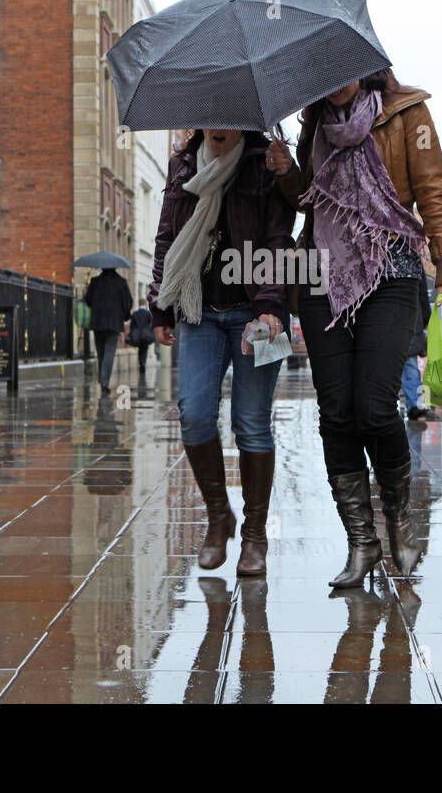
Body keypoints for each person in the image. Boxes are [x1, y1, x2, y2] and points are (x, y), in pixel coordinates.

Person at [267, 69, 442, 588]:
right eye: (324, 75)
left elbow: (433, 189)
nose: (334, 83)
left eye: (343, 72)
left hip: (392, 268)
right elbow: (306, 201)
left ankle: (398, 515)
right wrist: (287, 172)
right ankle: (361, 543)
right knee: (335, 411)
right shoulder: (314, 123)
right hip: (321, 276)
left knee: (375, 408)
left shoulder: (406, 112)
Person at [150, 128, 295, 576]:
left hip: (256, 312)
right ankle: (219, 517)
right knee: (194, 414)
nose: (218, 126)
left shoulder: (263, 160)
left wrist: (271, 304)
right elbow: (167, 236)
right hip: (199, 310)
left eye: (228, 116)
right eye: (209, 116)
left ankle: (254, 535)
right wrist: (159, 304)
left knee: (250, 423)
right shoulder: (184, 164)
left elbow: (277, 238)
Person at [84, 267, 132, 395]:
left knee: (101, 353)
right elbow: (128, 302)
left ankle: (103, 380)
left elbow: (88, 300)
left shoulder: (95, 281)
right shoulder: (121, 282)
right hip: (114, 323)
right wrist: (125, 315)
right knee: (109, 353)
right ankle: (104, 382)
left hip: (97, 322)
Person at [401, 276, 432, 421]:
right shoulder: (414, 260)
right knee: (410, 366)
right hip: (412, 317)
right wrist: (426, 319)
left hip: (408, 319)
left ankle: (415, 406)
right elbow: (423, 294)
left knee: (409, 364)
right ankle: (415, 405)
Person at [128, 299, 154, 374]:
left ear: (139, 304)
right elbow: (151, 324)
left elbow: (132, 325)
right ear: (145, 304)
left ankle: (141, 363)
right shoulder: (148, 313)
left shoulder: (135, 313)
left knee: (140, 349)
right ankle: (143, 363)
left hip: (138, 335)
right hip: (146, 335)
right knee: (144, 349)